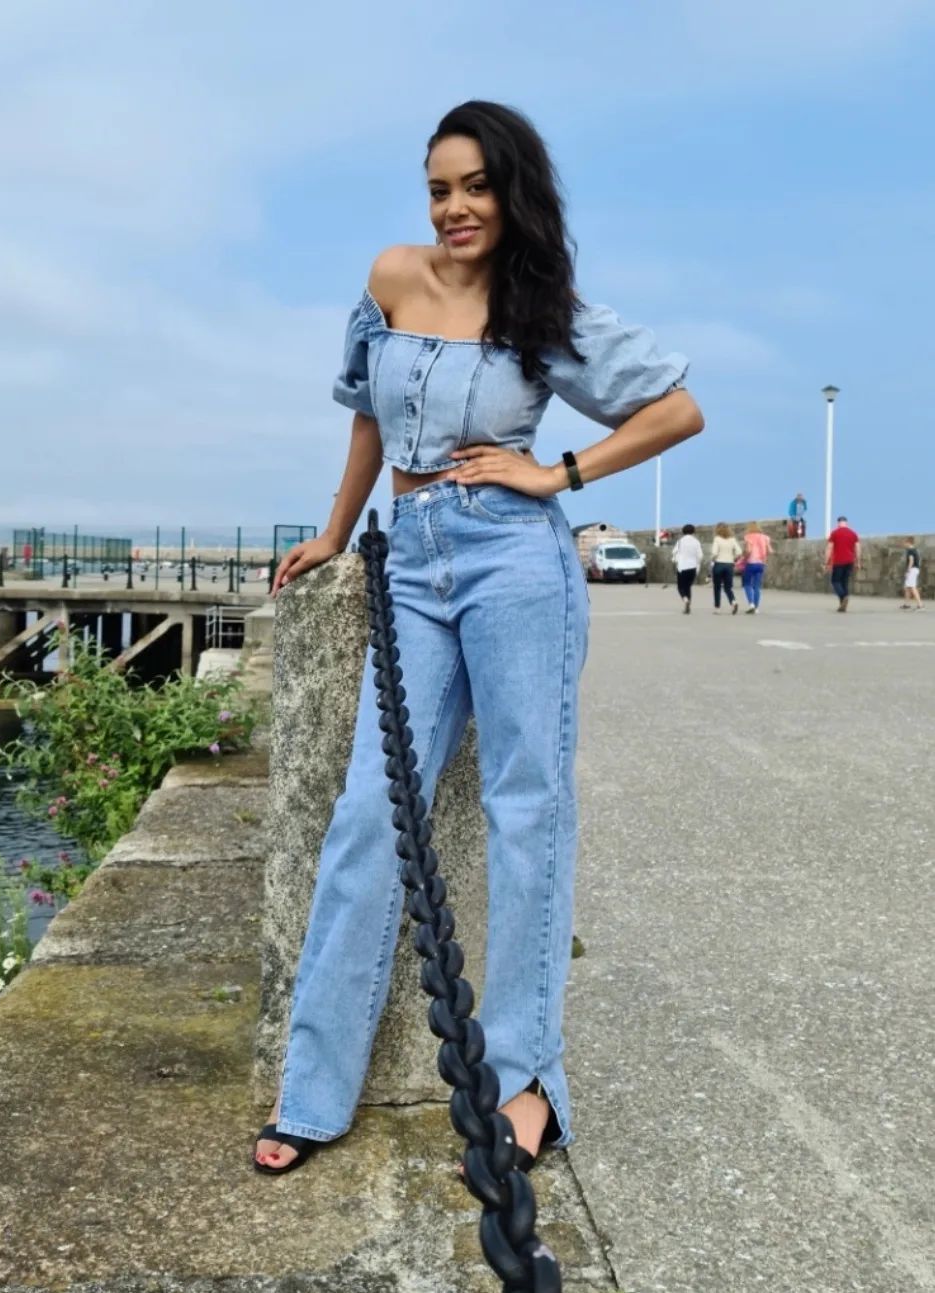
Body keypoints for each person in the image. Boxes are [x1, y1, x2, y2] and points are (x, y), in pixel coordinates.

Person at [255, 101, 702, 1176]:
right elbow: (367, 414)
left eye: (475, 187)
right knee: (368, 810)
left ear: (512, 193)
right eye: (438, 189)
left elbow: (675, 409)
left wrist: (556, 474)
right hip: (408, 560)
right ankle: (312, 1089)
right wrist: (333, 533)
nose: (453, 208)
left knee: (524, 810)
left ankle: (526, 1083)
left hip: (514, 563)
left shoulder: (540, 304)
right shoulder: (390, 278)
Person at [826, 516, 861, 611]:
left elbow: (829, 548)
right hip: (849, 561)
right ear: (846, 523)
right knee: (844, 582)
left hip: (838, 561)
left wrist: (827, 562)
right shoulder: (853, 533)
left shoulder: (834, 533)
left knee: (835, 581)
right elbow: (858, 548)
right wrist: (858, 562)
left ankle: (843, 596)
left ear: (838, 523)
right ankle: (842, 605)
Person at [710, 522, 742, 614]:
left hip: (719, 564)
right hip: (729, 565)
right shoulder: (732, 539)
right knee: (728, 587)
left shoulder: (717, 539)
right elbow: (739, 552)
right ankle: (733, 602)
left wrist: (713, 559)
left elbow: (714, 553)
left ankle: (717, 608)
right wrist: (734, 558)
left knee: (717, 587)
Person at [741, 522, 772, 613]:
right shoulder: (765, 537)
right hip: (760, 564)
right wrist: (764, 556)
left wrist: (744, 557)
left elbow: (748, 550)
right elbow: (770, 551)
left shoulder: (748, 537)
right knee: (757, 586)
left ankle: (751, 604)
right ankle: (756, 607)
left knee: (747, 584)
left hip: (751, 563)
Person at [672, 524, 702, 613]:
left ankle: (685, 600)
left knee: (680, 587)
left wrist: (676, 559)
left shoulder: (680, 541)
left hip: (682, 567)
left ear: (683, 531)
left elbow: (674, 552)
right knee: (688, 587)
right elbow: (700, 556)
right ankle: (688, 606)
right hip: (693, 567)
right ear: (693, 531)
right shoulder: (696, 542)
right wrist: (697, 563)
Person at [901, 537, 923, 610]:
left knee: (912, 587)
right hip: (915, 569)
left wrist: (908, 571)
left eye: (905, 542)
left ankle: (920, 605)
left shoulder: (910, 550)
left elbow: (911, 561)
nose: (904, 544)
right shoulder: (915, 550)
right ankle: (906, 604)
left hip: (912, 570)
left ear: (908, 542)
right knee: (908, 587)